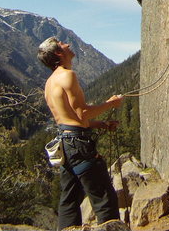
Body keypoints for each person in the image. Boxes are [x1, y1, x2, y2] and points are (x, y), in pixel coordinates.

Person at [38, 36, 124, 230]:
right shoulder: (68, 76)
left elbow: (70, 119)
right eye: (62, 44)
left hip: (66, 145)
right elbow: (81, 113)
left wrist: (101, 124)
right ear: (58, 53)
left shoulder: (50, 83)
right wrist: (111, 103)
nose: (67, 44)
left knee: (69, 201)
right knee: (104, 199)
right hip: (79, 146)